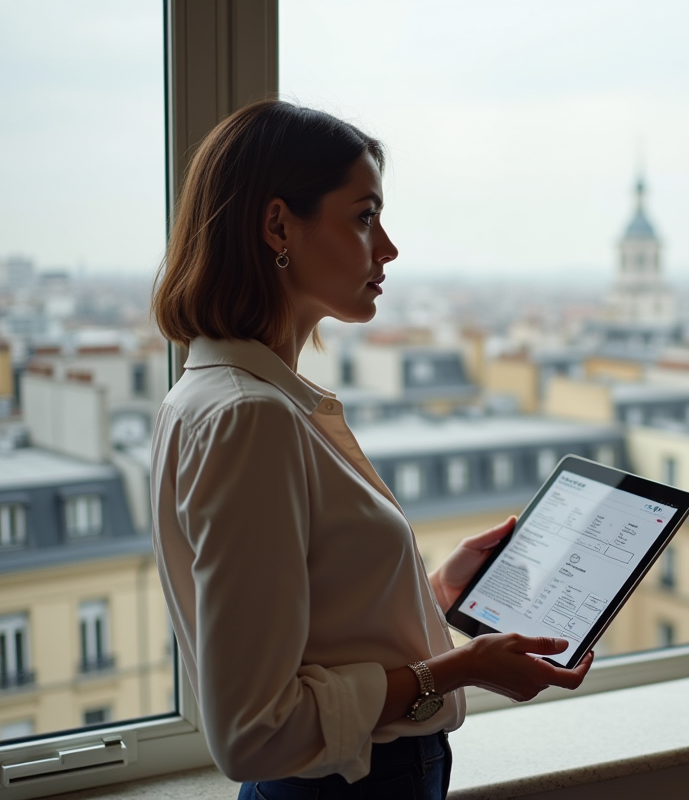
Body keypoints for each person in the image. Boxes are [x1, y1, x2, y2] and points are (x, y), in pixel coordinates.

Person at [149, 99, 593, 800]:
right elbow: (254, 732)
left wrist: (436, 590)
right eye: (363, 217)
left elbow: (312, 624)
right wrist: (458, 668)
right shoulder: (251, 418)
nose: (386, 247)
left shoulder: (218, 394)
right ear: (277, 225)